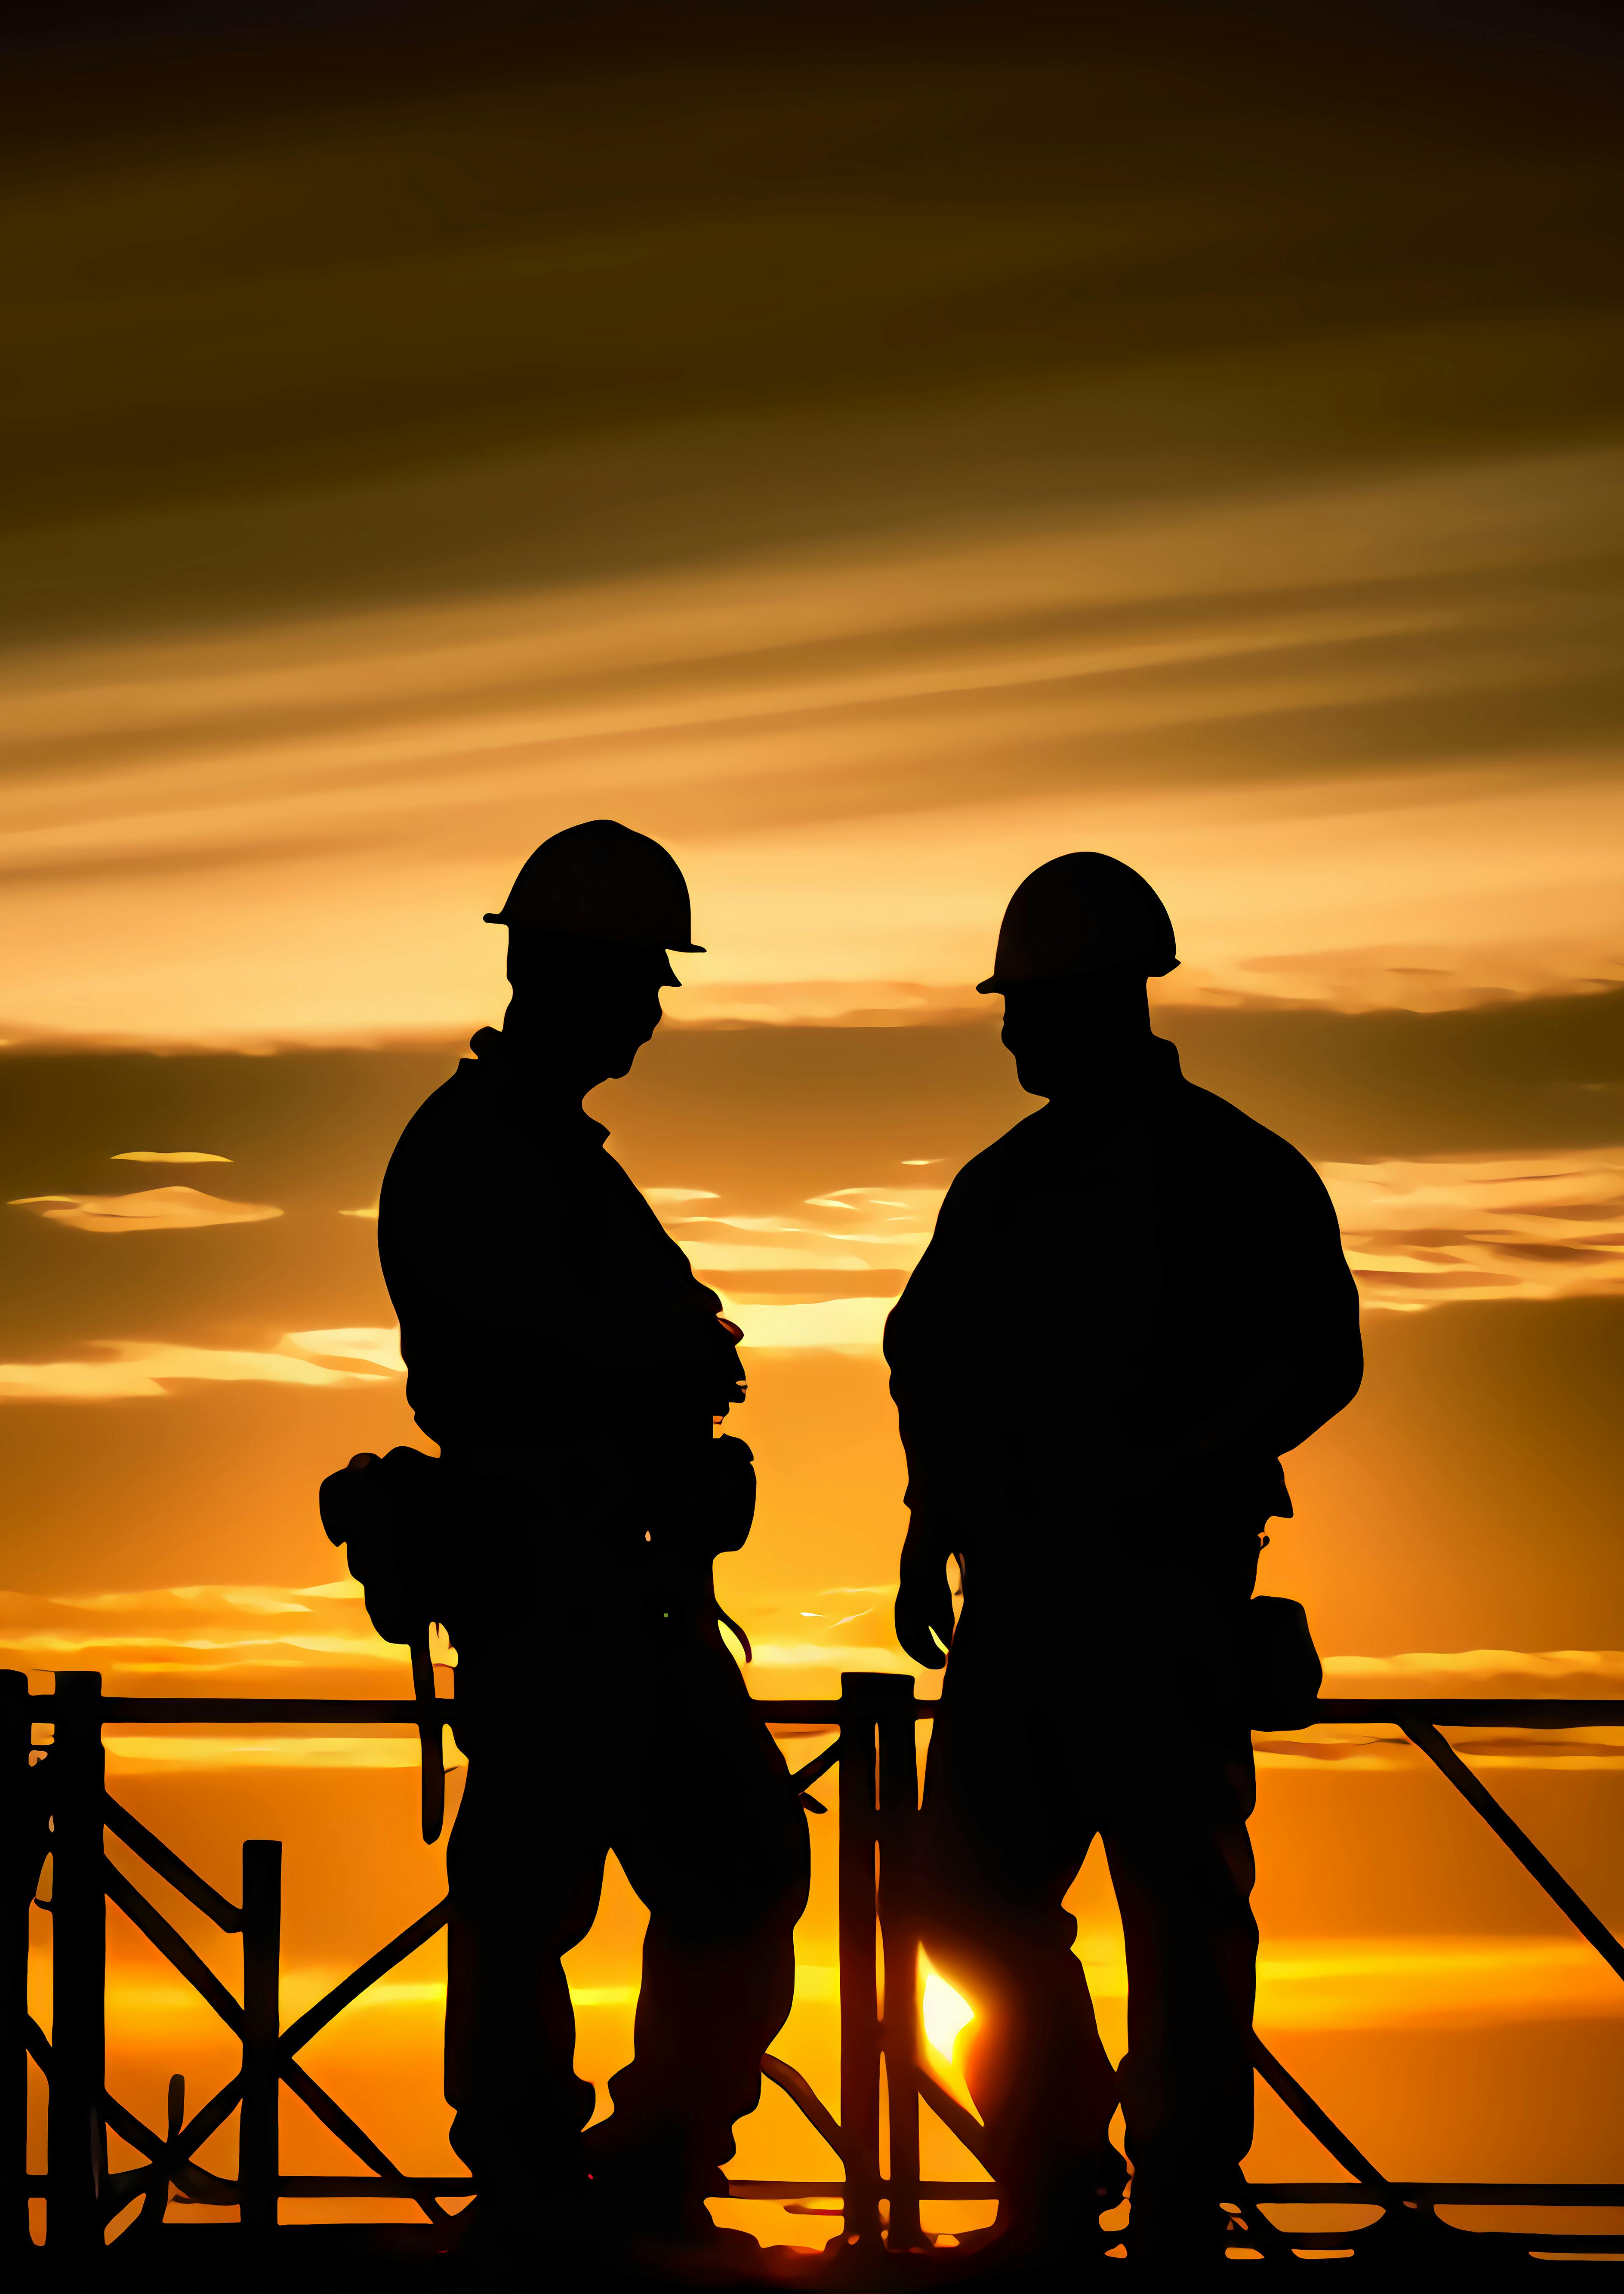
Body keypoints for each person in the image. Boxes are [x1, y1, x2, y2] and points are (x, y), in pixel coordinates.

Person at [887, 853, 1362, 2270]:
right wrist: (931, 1523)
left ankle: (1172, 2203)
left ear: (1097, 1002)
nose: (1009, 1031)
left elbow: (1318, 1356)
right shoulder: (1004, 1188)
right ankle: (1052, 2177)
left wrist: (1181, 1465)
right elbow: (930, 1359)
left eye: (1026, 1006)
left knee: (1179, 1901)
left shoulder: (1231, 1171)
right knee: (964, 1903)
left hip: (1159, 1593)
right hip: (1021, 1601)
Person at [370, 820, 807, 2271]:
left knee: (737, 1867)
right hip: (556, 1581)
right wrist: (669, 1356)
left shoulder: (546, 1157)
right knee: (532, 1885)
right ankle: (540, 2185)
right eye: (641, 979)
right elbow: (524, 1353)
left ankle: (645, 2162)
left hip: (624, 1585)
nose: (656, 1009)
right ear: (567, 974)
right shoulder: (478, 1156)